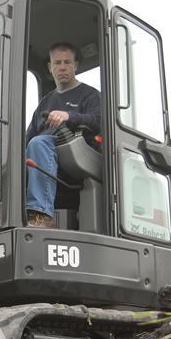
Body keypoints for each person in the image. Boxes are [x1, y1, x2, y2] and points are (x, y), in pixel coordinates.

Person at [25, 42, 101, 226]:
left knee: (38, 143)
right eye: (57, 63)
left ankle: (40, 214)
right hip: (44, 155)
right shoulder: (45, 102)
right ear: (50, 68)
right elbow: (28, 136)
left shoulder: (89, 95)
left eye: (67, 62)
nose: (62, 67)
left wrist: (69, 116)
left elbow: (99, 121)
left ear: (75, 65)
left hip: (75, 155)